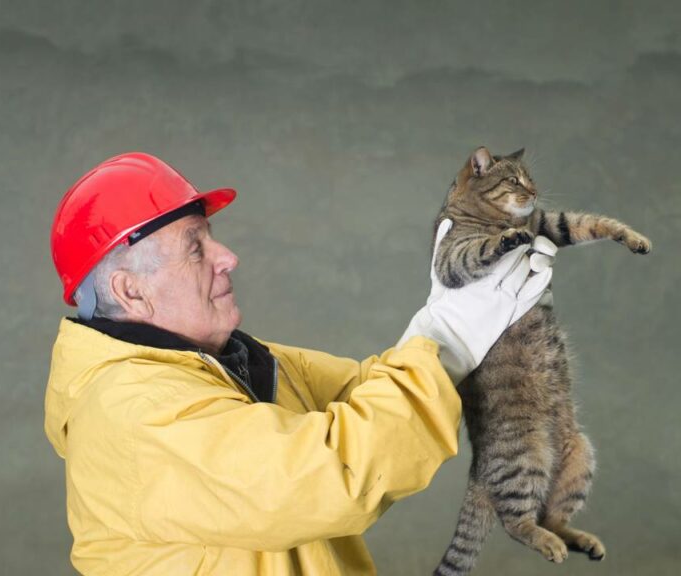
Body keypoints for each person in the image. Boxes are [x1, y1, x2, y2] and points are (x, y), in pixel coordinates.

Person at [44, 152, 554, 575]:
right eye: (195, 248)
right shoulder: (131, 410)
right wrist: (446, 341)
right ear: (130, 290)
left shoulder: (234, 364)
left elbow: (365, 398)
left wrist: (436, 328)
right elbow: (328, 474)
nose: (227, 257)